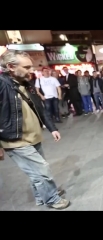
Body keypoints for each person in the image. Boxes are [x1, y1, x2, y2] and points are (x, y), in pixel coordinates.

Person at [0, 50, 70, 209]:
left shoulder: (26, 83)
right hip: (15, 140)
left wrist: (52, 128)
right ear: (11, 66)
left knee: (35, 173)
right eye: (26, 67)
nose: (31, 70)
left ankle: (41, 197)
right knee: (42, 170)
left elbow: (40, 107)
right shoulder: (2, 84)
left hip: (33, 137)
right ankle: (51, 198)